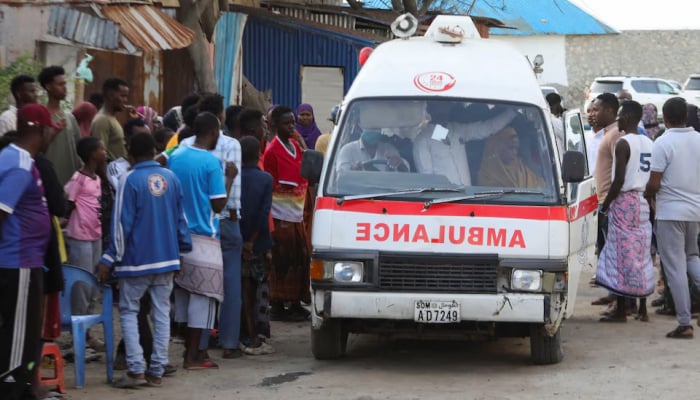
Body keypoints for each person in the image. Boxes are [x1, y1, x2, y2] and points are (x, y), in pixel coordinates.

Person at [97, 133, 192, 387]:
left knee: (129, 311)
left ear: (130, 154)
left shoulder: (129, 180)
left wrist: (109, 258)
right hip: (166, 258)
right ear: (154, 150)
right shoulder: (171, 178)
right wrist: (182, 251)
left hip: (136, 260)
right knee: (161, 313)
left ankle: (137, 368)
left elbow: (120, 225)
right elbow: (181, 219)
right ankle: (157, 369)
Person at [177, 94, 243, 360]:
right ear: (220, 118)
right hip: (222, 221)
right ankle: (229, 343)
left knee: (193, 286)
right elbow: (228, 195)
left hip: (185, 225)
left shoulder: (182, 147)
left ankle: (197, 343)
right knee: (228, 285)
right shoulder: (230, 145)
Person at [0, 104, 57, 400]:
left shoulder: (17, 158)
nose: (52, 137)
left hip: (25, 260)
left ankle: (21, 388)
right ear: (40, 130)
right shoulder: (19, 164)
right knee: (17, 339)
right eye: (51, 131)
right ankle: (12, 389)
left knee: (22, 334)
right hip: (18, 261)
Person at [168, 112, 233, 369]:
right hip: (204, 235)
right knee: (205, 297)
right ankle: (195, 354)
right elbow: (218, 204)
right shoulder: (210, 163)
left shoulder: (176, 155)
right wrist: (230, 177)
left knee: (183, 294)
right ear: (214, 132)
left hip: (177, 234)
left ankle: (190, 350)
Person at [645, 97, 700, 339]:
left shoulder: (663, 143)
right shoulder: (699, 139)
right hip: (695, 210)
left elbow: (654, 182)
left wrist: (647, 195)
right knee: (692, 257)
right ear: (685, 118)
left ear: (664, 119)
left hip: (670, 213)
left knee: (675, 266)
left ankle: (685, 322)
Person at [595, 101, 654, 323]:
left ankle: (620, 310)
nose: (618, 119)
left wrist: (606, 205)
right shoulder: (649, 142)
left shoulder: (623, 143)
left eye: (620, 115)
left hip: (624, 202)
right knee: (640, 253)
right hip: (641, 202)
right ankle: (642, 308)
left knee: (620, 255)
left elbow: (618, 180)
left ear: (628, 117)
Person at [263, 106, 311, 321]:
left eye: (293, 122)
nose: (292, 127)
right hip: (281, 214)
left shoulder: (294, 145)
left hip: (297, 211)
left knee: (299, 257)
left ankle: (294, 302)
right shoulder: (272, 151)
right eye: (286, 123)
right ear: (275, 126)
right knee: (283, 259)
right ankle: (278, 303)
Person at [64, 137, 107, 352]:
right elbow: (69, 205)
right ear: (92, 154)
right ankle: (77, 335)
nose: (104, 151)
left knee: (92, 284)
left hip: (94, 236)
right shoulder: (78, 179)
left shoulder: (97, 179)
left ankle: (87, 332)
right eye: (101, 148)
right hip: (79, 236)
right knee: (80, 286)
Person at [413, 104, 517, 185]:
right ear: (430, 108)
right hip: (443, 203)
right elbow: (427, 179)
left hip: (468, 199)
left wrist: (512, 112)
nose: (444, 108)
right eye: (440, 105)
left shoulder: (457, 130)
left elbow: (488, 128)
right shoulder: (422, 140)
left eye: (446, 104)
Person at [239, 136, 274, 355]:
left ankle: (245, 335)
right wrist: (252, 242)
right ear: (259, 155)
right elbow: (263, 214)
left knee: (243, 290)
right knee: (256, 290)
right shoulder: (265, 179)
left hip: (237, 239)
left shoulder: (233, 177)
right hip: (257, 242)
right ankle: (253, 337)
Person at [39, 66, 82, 186]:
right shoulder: (41, 117)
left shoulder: (70, 118)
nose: (64, 88)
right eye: (60, 84)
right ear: (48, 87)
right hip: (49, 183)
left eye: (65, 84)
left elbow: (79, 150)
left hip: (71, 185)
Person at [477, 126, 545, 188]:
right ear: (498, 147)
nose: (514, 153)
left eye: (516, 148)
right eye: (511, 148)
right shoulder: (486, 173)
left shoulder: (520, 167)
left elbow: (540, 185)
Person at [91, 77, 129, 161]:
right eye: (123, 96)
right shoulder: (102, 120)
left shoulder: (111, 118)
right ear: (110, 95)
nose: (125, 100)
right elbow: (99, 155)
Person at [106, 118, 151, 192]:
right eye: (140, 138)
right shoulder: (116, 167)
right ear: (127, 138)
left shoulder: (158, 166)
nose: (145, 142)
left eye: (147, 137)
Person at [336, 129, 409, 173]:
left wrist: (400, 164)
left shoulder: (389, 149)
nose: (373, 131)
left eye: (376, 129)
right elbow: (340, 178)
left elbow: (404, 174)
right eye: (370, 129)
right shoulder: (347, 150)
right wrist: (351, 172)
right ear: (360, 129)